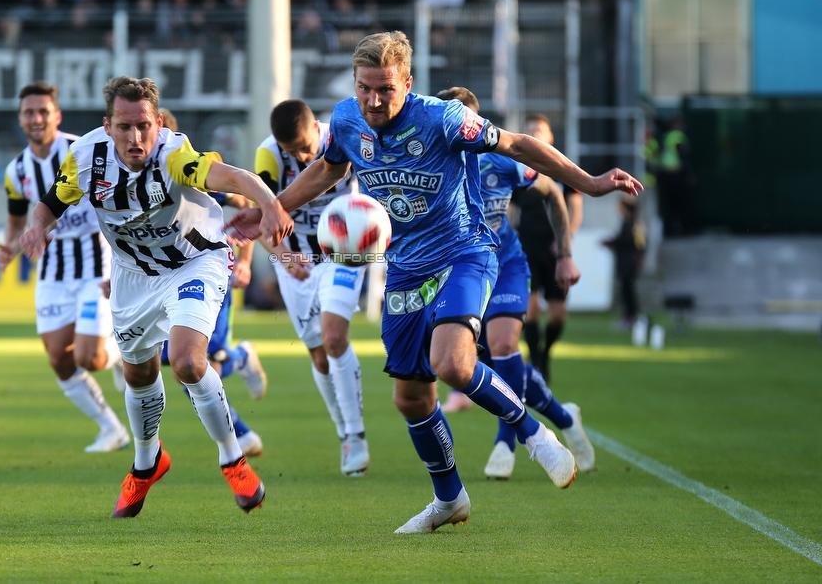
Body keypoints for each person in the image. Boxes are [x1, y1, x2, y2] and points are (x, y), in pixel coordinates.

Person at [226, 31, 641, 533]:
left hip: (464, 253)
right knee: (410, 398)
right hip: (404, 265)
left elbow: (519, 144)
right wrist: (271, 209)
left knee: (452, 363)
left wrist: (590, 182)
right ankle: (450, 498)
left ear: (408, 82)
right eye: (365, 88)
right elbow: (325, 171)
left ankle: (535, 436)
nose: (374, 101)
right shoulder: (346, 118)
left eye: (386, 89)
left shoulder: (442, 118)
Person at [20, 76, 292, 518]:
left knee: (186, 360)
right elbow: (52, 202)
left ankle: (232, 457)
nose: (135, 137)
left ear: (158, 122)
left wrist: (271, 203)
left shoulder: (174, 155)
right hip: (133, 275)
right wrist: (37, 226)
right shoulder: (85, 158)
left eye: (143, 125)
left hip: (194, 261)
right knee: (139, 374)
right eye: (124, 127)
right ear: (107, 126)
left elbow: (236, 177)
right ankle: (147, 464)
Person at [435, 87, 595, 479]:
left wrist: (565, 254)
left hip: (504, 264)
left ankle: (505, 442)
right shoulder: (429, 164)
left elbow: (553, 194)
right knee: (488, 362)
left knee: (505, 346)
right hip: (457, 273)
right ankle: (562, 415)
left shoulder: (503, 161)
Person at [0, 81, 129, 454]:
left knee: (91, 357)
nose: (36, 118)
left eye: (43, 111)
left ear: (56, 115)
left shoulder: (84, 151)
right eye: (29, 112)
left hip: (96, 266)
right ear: (21, 119)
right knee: (59, 357)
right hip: (53, 272)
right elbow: (16, 220)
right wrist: (9, 246)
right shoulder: (17, 170)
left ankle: (123, 351)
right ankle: (111, 429)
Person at [253, 99, 370, 476]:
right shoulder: (268, 156)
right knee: (320, 355)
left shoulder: (341, 139)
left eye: (305, 146)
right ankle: (343, 432)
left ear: (315, 131)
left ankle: (356, 434)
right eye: (294, 152)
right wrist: (286, 257)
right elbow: (263, 221)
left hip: (344, 253)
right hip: (297, 260)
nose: (303, 156)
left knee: (335, 338)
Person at [157, 105, 269, 459]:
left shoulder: (191, 174)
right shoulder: (133, 179)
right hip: (163, 281)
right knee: (179, 367)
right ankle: (239, 424)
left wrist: (246, 261)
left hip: (206, 274)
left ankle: (239, 429)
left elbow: (248, 198)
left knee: (206, 363)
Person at [513, 114, 583, 384]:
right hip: (526, 246)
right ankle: (537, 362)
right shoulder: (520, 170)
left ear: (550, 136)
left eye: (540, 130)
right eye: (530, 131)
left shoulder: (563, 169)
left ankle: (545, 353)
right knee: (531, 309)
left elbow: (576, 208)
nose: (536, 135)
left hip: (555, 250)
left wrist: (566, 239)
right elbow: (512, 209)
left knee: (557, 315)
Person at [603, 196, 647, 327]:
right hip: (626, 262)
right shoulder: (628, 223)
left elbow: (636, 244)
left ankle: (631, 317)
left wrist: (612, 242)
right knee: (625, 290)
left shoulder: (634, 224)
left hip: (629, 263)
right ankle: (629, 316)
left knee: (628, 291)